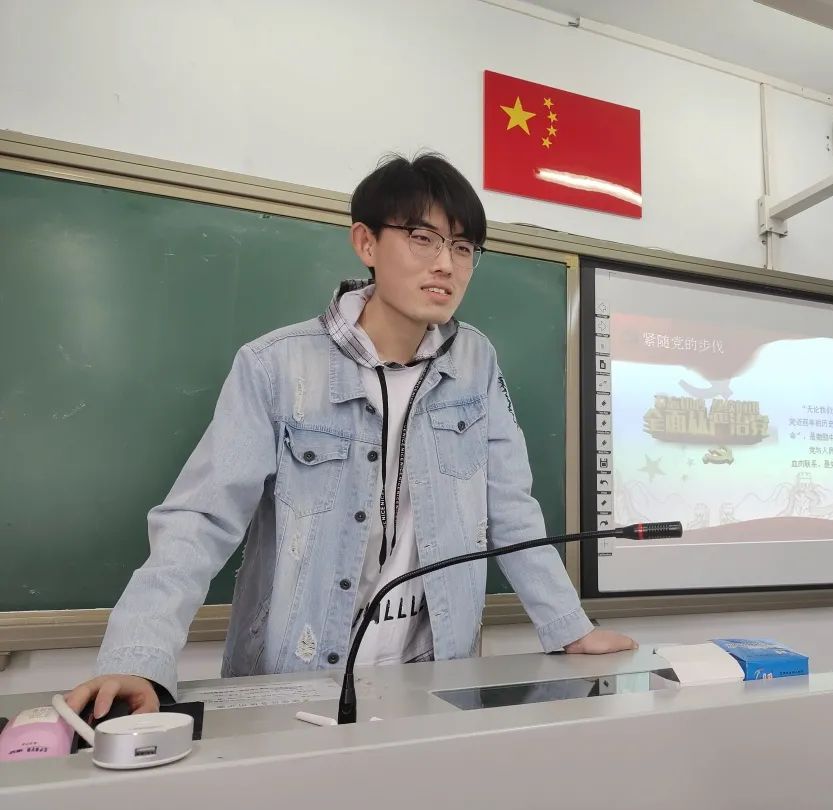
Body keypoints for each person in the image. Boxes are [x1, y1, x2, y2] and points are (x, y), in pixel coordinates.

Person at [66, 153, 636, 719]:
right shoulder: (276, 366)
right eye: (423, 238)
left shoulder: (475, 362)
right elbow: (201, 518)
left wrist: (569, 628)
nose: (446, 264)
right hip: (299, 680)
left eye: (463, 248)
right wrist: (137, 658)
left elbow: (510, 508)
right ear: (366, 243)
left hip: (435, 676)